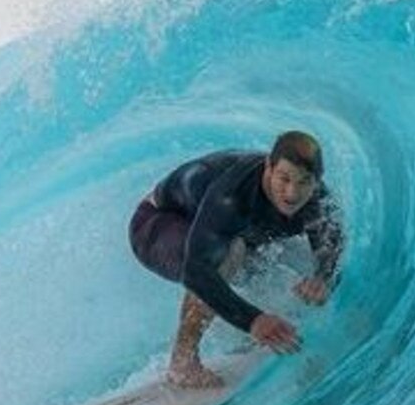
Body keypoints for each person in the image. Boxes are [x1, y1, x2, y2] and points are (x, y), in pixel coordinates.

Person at [129, 131, 343, 388]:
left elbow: (332, 247)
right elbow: (196, 271)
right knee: (230, 252)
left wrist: (322, 279)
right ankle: (183, 363)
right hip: (157, 224)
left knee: (290, 256)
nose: (292, 193)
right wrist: (253, 320)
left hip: (227, 230)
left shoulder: (317, 198)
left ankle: (252, 335)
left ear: (316, 180)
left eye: (304, 182)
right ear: (269, 167)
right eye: (283, 179)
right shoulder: (231, 197)